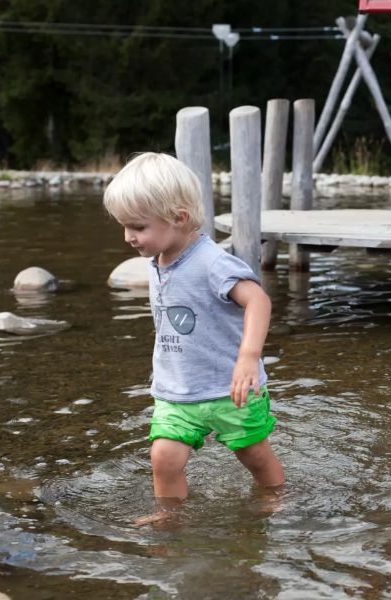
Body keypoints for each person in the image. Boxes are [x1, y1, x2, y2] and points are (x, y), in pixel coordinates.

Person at [103, 153, 284, 524]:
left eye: (137, 226)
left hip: (229, 389)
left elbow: (258, 301)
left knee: (254, 456)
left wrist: (248, 356)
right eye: (124, 226)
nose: (128, 237)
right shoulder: (160, 257)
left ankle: (276, 498)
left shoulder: (213, 262)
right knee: (164, 457)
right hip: (178, 391)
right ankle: (170, 515)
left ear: (179, 218)